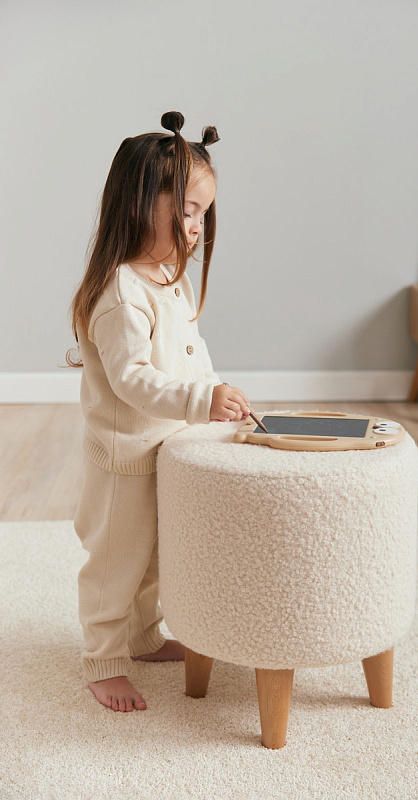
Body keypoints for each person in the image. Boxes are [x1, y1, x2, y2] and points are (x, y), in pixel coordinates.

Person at [68, 111, 250, 712]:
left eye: (203, 213)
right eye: (188, 210)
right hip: (125, 459)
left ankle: (143, 637)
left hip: (167, 449)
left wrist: (215, 391)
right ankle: (103, 660)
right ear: (139, 202)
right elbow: (133, 379)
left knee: (154, 557)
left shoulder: (167, 279)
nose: (196, 226)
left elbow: (190, 353)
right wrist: (200, 402)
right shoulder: (122, 291)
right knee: (116, 565)